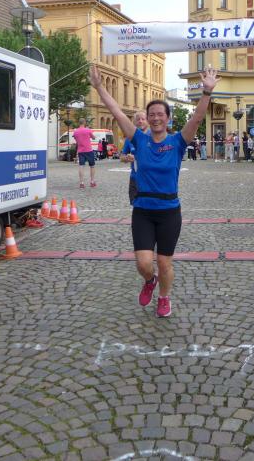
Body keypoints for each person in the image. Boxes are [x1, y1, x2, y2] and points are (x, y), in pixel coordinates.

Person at [90, 64, 219, 318]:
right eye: (152, 115)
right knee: (144, 263)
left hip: (169, 211)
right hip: (143, 211)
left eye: (161, 114)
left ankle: (164, 297)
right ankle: (150, 281)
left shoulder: (177, 142)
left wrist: (207, 92)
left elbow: (197, 118)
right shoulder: (139, 139)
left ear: (168, 119)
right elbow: (116, 112)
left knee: (164, 262)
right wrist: (99, 87)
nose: (156, 118)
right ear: (147, 119)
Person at [120, 111, 148, 205]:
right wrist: (126, 158)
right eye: (138, 119)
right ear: (134, 122)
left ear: (147, 121)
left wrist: (137, 157)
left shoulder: (153, 136)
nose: (140, 121)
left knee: (150, 207)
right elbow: (122, 157)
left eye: (143, 119)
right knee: (135, 206)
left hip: (150, 178)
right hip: (135, 178)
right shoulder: (130, 138)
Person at [73, 118, 97, 188]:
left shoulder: (75, 132)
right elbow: (93, 137)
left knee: (81, 166)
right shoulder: (88, 130)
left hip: (80, 151)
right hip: (89, 150)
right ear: (84, 122)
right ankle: (92, 182)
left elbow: (76, 140)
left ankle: (81, 183)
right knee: (92, 166)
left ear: (79, 123)